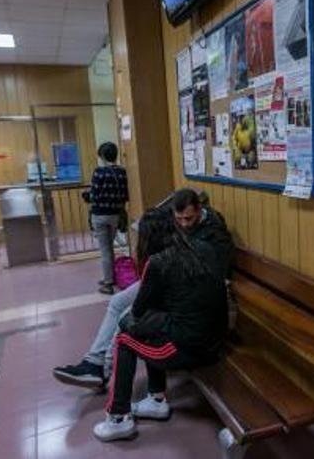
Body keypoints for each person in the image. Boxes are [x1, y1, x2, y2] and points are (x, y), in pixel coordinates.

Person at [52, 188, 233, 387]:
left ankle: (104, 370)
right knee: (117, 301)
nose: (184, 224)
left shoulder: (215, 234)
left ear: (200, 210)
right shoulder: (177, 219)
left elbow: (215, 273)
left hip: (186, 286)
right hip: (169, 274)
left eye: (188, 219)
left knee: (131, 314)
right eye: (179, 219)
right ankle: (93, 361)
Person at [92, 208, 229, 441]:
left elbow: (138, 312)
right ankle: (155, 399)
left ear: (147, 237)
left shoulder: (157, 262)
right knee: (150, 327)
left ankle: (117, 417)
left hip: (191, 350)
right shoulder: (203, 249)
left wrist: (128, 322)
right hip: (216, 342)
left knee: (125, 338)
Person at [89, 142, 129, 294]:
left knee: (105, 250)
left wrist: (88, 196)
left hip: (100, 215)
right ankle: (110, 276)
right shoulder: (122, 172)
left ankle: (108, 283)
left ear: (103, 156)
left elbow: (93, 195)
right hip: (115, 215)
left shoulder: (99, 172)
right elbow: (125, 194)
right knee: (110, 247)